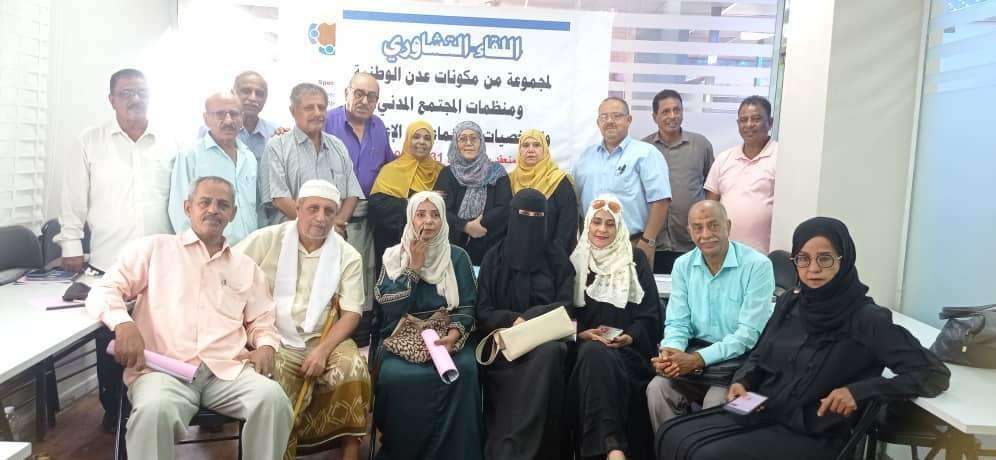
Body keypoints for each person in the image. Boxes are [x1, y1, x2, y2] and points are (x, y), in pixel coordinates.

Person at [655, 217, 951, 460]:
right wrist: (743, 381)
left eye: (825, 259)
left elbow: (933, 373)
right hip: (766, 409)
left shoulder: (867, 318)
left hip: (814, 431)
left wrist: (859, 391)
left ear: (844, 260)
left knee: (706, 454)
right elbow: (759, 353)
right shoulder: (791, 303)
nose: (813, 269)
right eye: (803, 259)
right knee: (672, 434)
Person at [85, 176, 292, 460]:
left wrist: (266, 345)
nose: (213, 210)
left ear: (232, 213)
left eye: (223, 205)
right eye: (204, 202)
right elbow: (104, 289)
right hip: (163, 371)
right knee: (153, 411)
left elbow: (262, 319)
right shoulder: (154, 249)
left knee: (273, 400)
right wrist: (123, 323)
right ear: (187, 208)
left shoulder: (245, 267)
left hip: (225, 372)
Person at [55, 68, 179, 430]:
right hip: (109, 260)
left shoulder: (170, 142)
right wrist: (71, 243)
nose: (135, 99)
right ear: (112, 100)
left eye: (141, 92)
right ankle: (114, 410)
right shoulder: (89, 141)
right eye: (126, 93)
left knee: (160, 335)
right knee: (112, 335)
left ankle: (157, 406)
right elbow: (73, 198)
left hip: (159, 262)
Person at [235, 180, 371, 460]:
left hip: (326, 337)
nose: (321, 218)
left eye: (329, 211)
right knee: (272, 378)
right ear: (298, 209)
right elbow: (227, 273)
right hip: (273, 336)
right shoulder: (266, 239)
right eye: (313, 209)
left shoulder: (348, 255)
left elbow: (352, 312)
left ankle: (350, 453)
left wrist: (323, 350)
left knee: (354, 368)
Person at [646, 200, 774, 432]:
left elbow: (747, 335)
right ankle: (670, 448)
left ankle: (701, 447)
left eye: (713, 225)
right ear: (689, 232)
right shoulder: (682, 265)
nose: (706, 234)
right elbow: (677, 322)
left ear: (728, 226)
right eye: (698, 227)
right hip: (693, 356)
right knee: (657, 389)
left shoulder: (758, 266)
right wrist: (671, 354)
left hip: (737, 364)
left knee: (715, 402)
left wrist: (696, 360)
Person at [373, 191, 482, 460]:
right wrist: (413, 268)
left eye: (435, 215)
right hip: (402, 334)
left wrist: (455, 334)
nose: (428, 221)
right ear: (411, 219)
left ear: (443, 219)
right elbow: (389, 309)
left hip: (448, 335)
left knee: (466, 370)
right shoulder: (394, 256)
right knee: (396, 376)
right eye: (421, 214)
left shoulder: (457, 256)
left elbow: (468, 304)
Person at [476, 188, 576, 460]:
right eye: (524, 214)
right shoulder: (494, 258)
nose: (530, 221)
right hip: (504, 348)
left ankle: (522, 451)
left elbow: (566, 304)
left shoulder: (556, 258)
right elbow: (482, 311)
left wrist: (529, 319)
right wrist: (511, 320)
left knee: (550, 354)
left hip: (545, 344)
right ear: (512, 216)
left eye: (537, 216)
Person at [567, 194, 662, 460]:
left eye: (610, 224)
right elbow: (562, 313)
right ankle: (614, 449)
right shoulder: (573, 262)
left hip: (628, 354)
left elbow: (650, 316)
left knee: (599, 359)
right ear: (587, 224)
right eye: (596, 222)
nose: (602, 229)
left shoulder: (635, 260)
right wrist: (581, 334)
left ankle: (610, 448)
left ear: (620, 227)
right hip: (582, 352)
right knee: (594, 355)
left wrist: (629, 337)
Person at [324, 72, 397, 337]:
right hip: (330, 215)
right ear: (347, 92)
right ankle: (327, 328)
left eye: (371, 96)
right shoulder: (327, 121)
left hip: (365, 215)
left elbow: (390, 166)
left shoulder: (379, 127)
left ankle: (358, 329)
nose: (364, 101)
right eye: (359, 93)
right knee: (328, 272)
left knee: (360, 272)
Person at [572, 97, 672, 268]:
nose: (610, 121)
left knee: (632, 287)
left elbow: (661, 200)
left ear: (629, 120)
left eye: (617, 116)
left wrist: (648, 241)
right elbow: (575, 202)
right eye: (604, 117)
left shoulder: (646, 153)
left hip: (632, 245)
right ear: (598, 122)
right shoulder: (586, 157)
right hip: (591, 248)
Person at [264, 83, 363, 229]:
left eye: (321, 108)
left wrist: (336, 225)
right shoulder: (277, 146)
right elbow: (279, 199)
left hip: (334, 236)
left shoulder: (338, 146)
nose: (317, 113)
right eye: (309, 108)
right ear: (293, 111)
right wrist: (320, 227)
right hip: (290, 236)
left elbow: (352, 193)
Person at [170, 91, 258, 245]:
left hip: (250, 249)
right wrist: (193, 250)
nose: (228, 120)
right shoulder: (190, 155)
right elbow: (179, 209)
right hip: (208, 250)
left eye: (234, 114)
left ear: (242, 118)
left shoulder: (249, 157)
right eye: (220, 114)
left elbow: (253, 208)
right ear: (206, 118)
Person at [199, 71, 278, 227]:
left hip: (257, 221)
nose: (253, 98)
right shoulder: (208, 134)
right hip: (215, 222)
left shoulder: (275, 134)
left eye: (259, 93)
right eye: (246, 91)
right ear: (233, 92)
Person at [642, 90, 714, 254]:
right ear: (654, 117)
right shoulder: (643, 149)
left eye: (677, 110)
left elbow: (712, 188)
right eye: (666, 111)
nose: (673, 116)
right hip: (653, 241)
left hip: (692, 241)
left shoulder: (700, 145)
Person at [368, 119, 444, 274]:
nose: (421, 142)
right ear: (408, 139)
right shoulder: (390, 170)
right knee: (394, 284)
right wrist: (414, 204)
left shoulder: (441, 172)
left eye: (427, 138)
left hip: (430, 246)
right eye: (416, 137)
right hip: (393, 244)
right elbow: (376, 206)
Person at [704, 95, 777, 253]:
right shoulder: (724, 158)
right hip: (725, 253)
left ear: (770, 122)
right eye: (743, 120)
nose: (749, 124)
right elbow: (710, 208)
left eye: (756, 119)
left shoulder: (781, 157)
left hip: (765, 254)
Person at [435, 120, 511, 265]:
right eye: (463, 139)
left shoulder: (497, 172)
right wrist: (465, 226)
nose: (469, 143)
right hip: (452, 250)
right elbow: (439, 208)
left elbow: (504, 208)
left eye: (474, 138)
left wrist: (478, 225)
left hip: (491, 249)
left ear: (481, 142)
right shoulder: (447, 174)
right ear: (455, 143)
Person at [507, 129, 579, 253]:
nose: (530, 150)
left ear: (545, 149)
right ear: (519, 150)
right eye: (525, 145)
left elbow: (568, 224)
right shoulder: (510, 180)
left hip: (550, 256)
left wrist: (556, 254)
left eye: (536, 145)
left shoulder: (559, 181)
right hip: (514, 254)